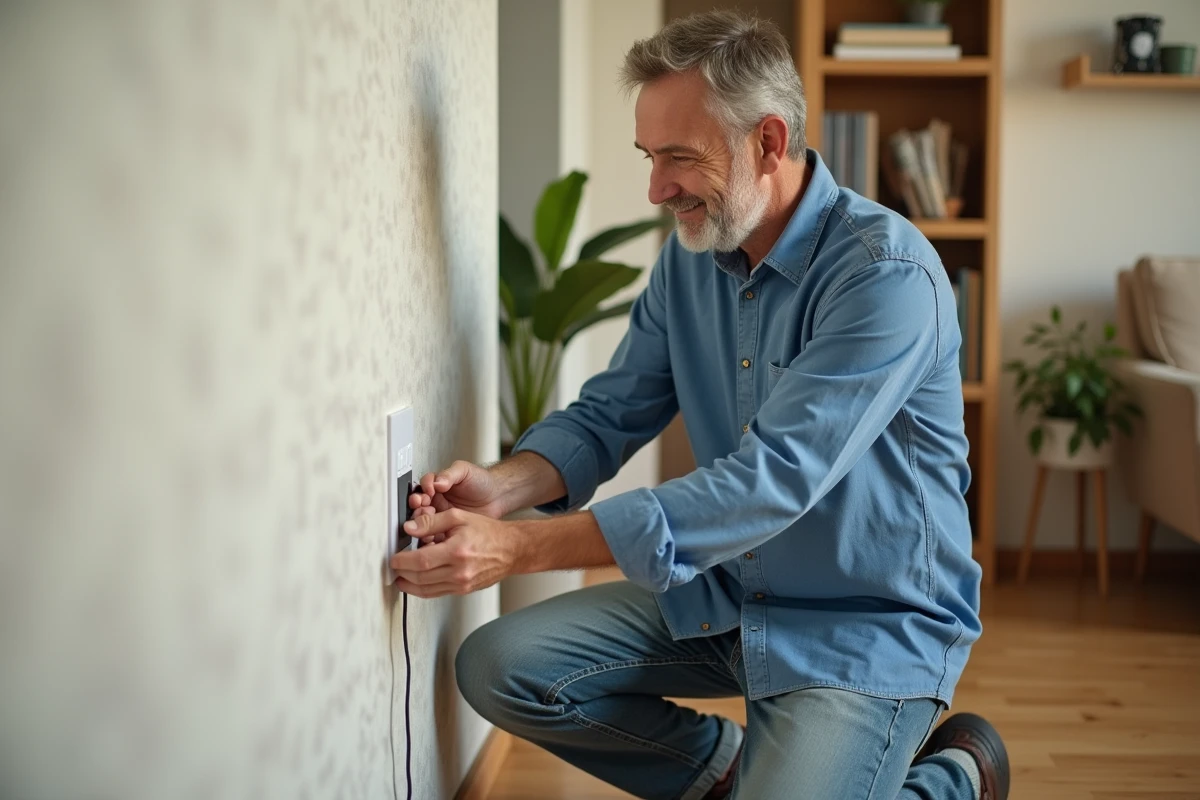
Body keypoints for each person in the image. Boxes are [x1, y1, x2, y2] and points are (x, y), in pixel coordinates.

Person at [391, 10, 1009, 800]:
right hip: (730, 593)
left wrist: (516, 550)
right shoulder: (691, 261)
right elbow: (610, 413)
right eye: (651, 157)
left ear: (770, 143)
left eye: (679, 158)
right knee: (500, 667)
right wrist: (504, 487)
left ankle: (954, 780)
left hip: (864, 627)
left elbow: (771, 482)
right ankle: (728, 778)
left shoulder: (885, 277)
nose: (656, 189)